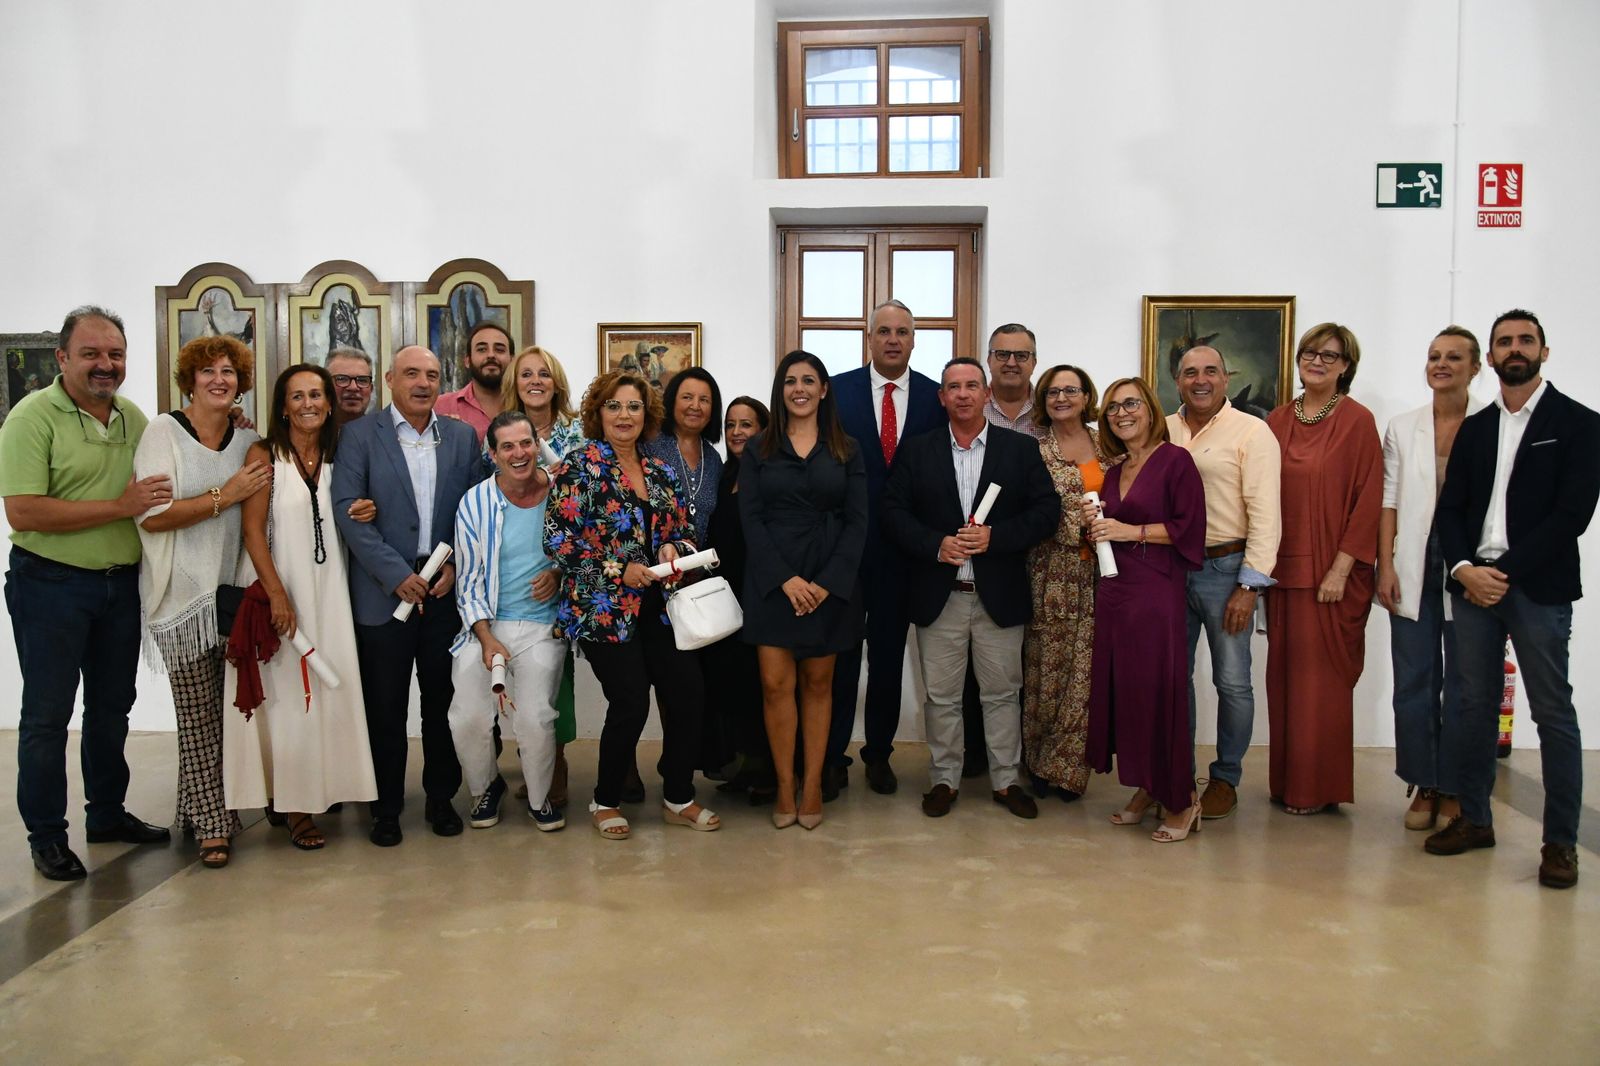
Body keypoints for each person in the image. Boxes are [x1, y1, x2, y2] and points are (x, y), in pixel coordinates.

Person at [1428, 309, 1600, 890]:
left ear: (1544, 352)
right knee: (1471, 707)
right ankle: (1474, 819)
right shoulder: (1476, 428)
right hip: (1475, 585)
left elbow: (1571, 516)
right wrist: (1465, 569)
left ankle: (1560, 844)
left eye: (1525, 340)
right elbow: (1450, 510)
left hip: (1537, 587)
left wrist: (1503, 571)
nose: (1514, 349)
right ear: (1493, 358)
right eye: (1504, 342)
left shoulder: (1579, 423)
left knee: (1553, 713)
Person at [2, 307, 173, 880]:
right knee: (47, 717)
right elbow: (23, 510)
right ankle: (47, 835)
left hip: (117, 587)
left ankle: (105, 814)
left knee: (111, 708)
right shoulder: (31, 417)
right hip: (49, 584)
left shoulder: (130, 415)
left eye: (116, 354)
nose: (106, 365)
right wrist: (120, 508)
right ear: (62, 358)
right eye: (92, 354)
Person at [545, 370, 720, 839]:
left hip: (660, 606)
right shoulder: (578, 466)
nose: (625, 415)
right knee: (630, 699)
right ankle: (605, 800)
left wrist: (673, 551)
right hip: (602, 608)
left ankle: (678, 795)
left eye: (634, 407)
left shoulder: (660, 469)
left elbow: (681, 532)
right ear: (597, 413)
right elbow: (559, 541)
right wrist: (617, 570)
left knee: (688, 693)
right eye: (615, 406)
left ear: (648, 415)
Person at [884, 358, 1058, 820]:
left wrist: (996, 537)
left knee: (1002, 695)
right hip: (939, 595)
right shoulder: (917, 450)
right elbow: (893, 512)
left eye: (971, 386)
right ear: (941, 397)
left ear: (986, 395)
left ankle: (1005, 781)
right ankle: (944, 778)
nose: (962, 394)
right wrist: (934, 544)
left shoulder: (1019, 450)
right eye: (953, 387)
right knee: (941, 698)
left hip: (998, 596)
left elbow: (1046, 512)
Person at [223, 364, 379, 851]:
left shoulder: (343, 453)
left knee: (333, 694)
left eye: (317, 394)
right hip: (282, 589)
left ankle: (329, 790)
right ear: (283, 406)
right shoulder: (264, 454)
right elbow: (252, 531)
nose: (308, 403)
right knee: (289, 700)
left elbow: (353, 512)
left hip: (332, 593)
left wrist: (366, 509)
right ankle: (294, 809)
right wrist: (277, 595)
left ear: (330, 403)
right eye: (297, 396)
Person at [333, 346, 484, 847]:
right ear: (390, 378)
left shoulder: (462, 438)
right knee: (386, 705)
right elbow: (347, 513)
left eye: (433, 375)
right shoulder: (358, 436)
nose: (423, 383)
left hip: (444, 589)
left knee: (443, 703)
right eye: (412, 373)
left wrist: (458, 565)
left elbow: (477, 512)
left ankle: (442, 799)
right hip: (384, 593)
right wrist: (395, 575)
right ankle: (386, 808)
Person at [133, 335, 270, 869]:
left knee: (223, 714)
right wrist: (226, 495)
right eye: (208, 371)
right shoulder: (162, 432)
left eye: (229, 372)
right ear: (189, 379)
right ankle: (216, 827)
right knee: (196, 717)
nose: (220, 379)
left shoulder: (248, 441)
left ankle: (192, 810)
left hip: (230, 598)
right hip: (181, 599)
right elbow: (153, 515)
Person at [739, 353, 868, 829]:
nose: (799, 388)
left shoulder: (847, 450)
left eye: (808, 380)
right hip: (773, 580)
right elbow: (750, 519)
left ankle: (812, 784)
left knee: (818, 685)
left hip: (828, 580)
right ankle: (785, 785)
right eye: (790, 380)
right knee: (775, 686)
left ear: (823, 389)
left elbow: (858, 523)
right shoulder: (758, 449)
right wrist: (785, 579)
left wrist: (826, 583)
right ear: (781, 390)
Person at [828, 299, 946, 798]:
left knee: (889, 662)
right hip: (846, 553)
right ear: (869, 338)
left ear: (914, 340)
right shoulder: (837, 391)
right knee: (841, 659)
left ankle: (879, 753)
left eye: (902, 331)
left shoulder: (936, 397)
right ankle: (832, 756)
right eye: (883, 331)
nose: (893, 339)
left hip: (905, 557)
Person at [1264, 323, 1383, 815]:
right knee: (1284, 680)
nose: (1317, 362)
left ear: (1346, 365)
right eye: (1310, 353)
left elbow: (1369, 499)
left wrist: (1340, 569)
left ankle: (1317, 788)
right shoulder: (1275, 419)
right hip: (1281, 573)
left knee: (1320, 686)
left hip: (1331, 576)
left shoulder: (1357, 421)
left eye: (1330, 356)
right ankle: (1287, 783)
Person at [1084, 377, 1207, 842]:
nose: (1121, 413)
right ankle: (1147, 788)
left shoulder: (1177, 461)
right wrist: (1095, 527)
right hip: (1116, 592)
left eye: (1130, 403)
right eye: (1113, 407)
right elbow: (1109, 528)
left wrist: (1126, 531)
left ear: (1151, 409)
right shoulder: (1113, 470)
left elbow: (1188, 529)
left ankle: (1181, 798)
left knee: (1160, 693)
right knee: (1129, 694)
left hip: (1156, 591)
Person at [1166, 345, 1282, 820]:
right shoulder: (1164, 430)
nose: (1200, 380)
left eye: (1210, 370)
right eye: (1190, 372)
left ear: (1225, 378)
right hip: (1171, 568)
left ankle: (1226, 777)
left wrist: (1249, 586)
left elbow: (1266, 513)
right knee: (1175, 680)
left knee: (1232, 682)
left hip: (1226, 569)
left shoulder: (1253, 432)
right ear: (1177, 381)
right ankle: (1176, 774)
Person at [1375, 327, 1483, 832]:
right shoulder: (1404, 426)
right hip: (1415, 558)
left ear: (1475, 367)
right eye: (1434, 357)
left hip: (1473, 562)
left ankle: (1457, 785)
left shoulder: (1493, 422)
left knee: (1465, 683)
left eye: (1454, 357)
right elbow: (1389, 499)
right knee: (1414, 679)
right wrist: (1386, 564)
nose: (1442, 364)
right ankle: (1423, 781)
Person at [448, 410, 567, 833]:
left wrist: (557, 573)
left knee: (534, 716)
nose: (519, 454)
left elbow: (581, 551)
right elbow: (468, 578)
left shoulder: (562, 492)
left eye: (526, 443)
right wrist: (484, 637)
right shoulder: (475, 502)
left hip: (541, 627)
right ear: (494, 453)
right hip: (484, 625)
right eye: (508, 446)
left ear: (537, 444)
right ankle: (485, 788)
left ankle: (539, 800)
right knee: (468, 715)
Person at [499, 344, 584, 806]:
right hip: (516, 575)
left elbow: (588, 507)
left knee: (559, 672)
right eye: (527, 373)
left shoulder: (579, 434)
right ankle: (532, 757)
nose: (535, 381)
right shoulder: (503, 432)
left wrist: (560, 565)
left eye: (544, 374)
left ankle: (557, 762)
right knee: (521, 676)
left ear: (556, 383)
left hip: (565, 569)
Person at [1021, 364, 1106, 802]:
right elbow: (1029, 509)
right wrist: (1078, 524)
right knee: (1044, 671)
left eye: (1070, 390)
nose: (1061, 398)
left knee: (1085, 674)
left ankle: (1070, 768)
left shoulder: (1109, 443)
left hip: (1102, 574)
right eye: (1052, 392)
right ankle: (1037, 762)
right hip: (1050, 571)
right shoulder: (1031, 449)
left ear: (1086, 396)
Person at [705, 397, 776, 804]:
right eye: (731, 424)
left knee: (760, 685)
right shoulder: (723, 473)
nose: (736, 432)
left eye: (746, 424)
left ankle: (767, 769)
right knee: (732, 686)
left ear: (763, 429)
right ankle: (744, 765)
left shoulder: (769, 473)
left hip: (759, 594)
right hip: (722, 596)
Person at [644, 367, 723, 548]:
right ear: (672, 402)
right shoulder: (648, 445)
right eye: (687, 397)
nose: (695, 406)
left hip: (698, 569)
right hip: (652, 566)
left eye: (704, 400)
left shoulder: (714, 460)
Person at [435, 321, 511, 445]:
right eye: (481, 349)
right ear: (467, 361)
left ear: (512, 359)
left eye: (499, 350)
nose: (491, 355)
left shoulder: (526, 405)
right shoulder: (440, 407)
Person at [983, 323, 1045, 439]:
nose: (1011, 363)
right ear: (989, 360)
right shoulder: (973, 408)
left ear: (1033, 363)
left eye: (1021, 356)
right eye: (1002, 355)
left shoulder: (1048, 408)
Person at [326, 347, 376, 426]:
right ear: (326, 387)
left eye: (362, 380)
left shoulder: (388, 435)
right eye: (342, 379)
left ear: (371, 389)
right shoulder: (310, 435)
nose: (353, 387)